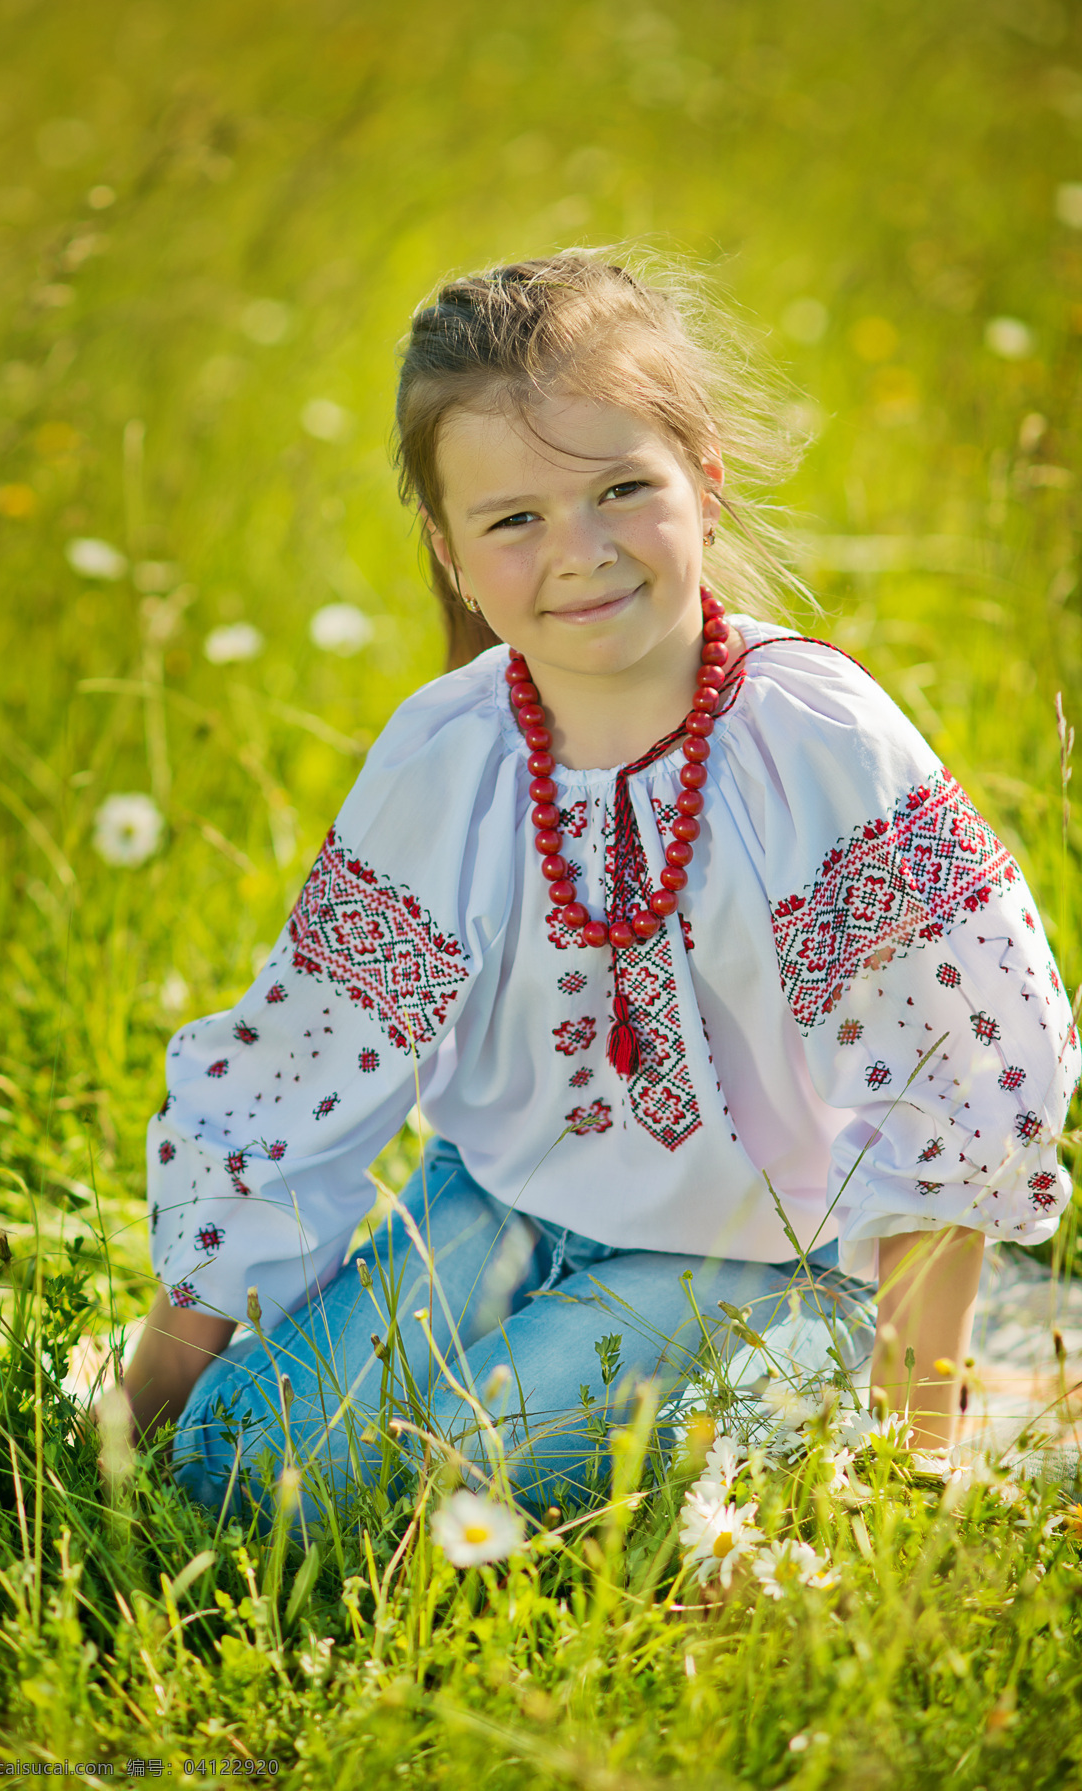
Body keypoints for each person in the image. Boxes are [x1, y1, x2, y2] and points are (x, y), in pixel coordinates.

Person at [125, 252, 1079, 1515]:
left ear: (708, 483)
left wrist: (916, 1465)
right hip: (499, 1205)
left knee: (438, 1485)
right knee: (241, 1471)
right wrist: (139, 1413)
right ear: (450, 550)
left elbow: (951, 1081)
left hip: (765, 1262)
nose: (579, 553)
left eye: (623, 489)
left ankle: (796, 1417)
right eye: (514, 518)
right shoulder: (447, 756)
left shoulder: (818, 743)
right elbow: (303, 1074)